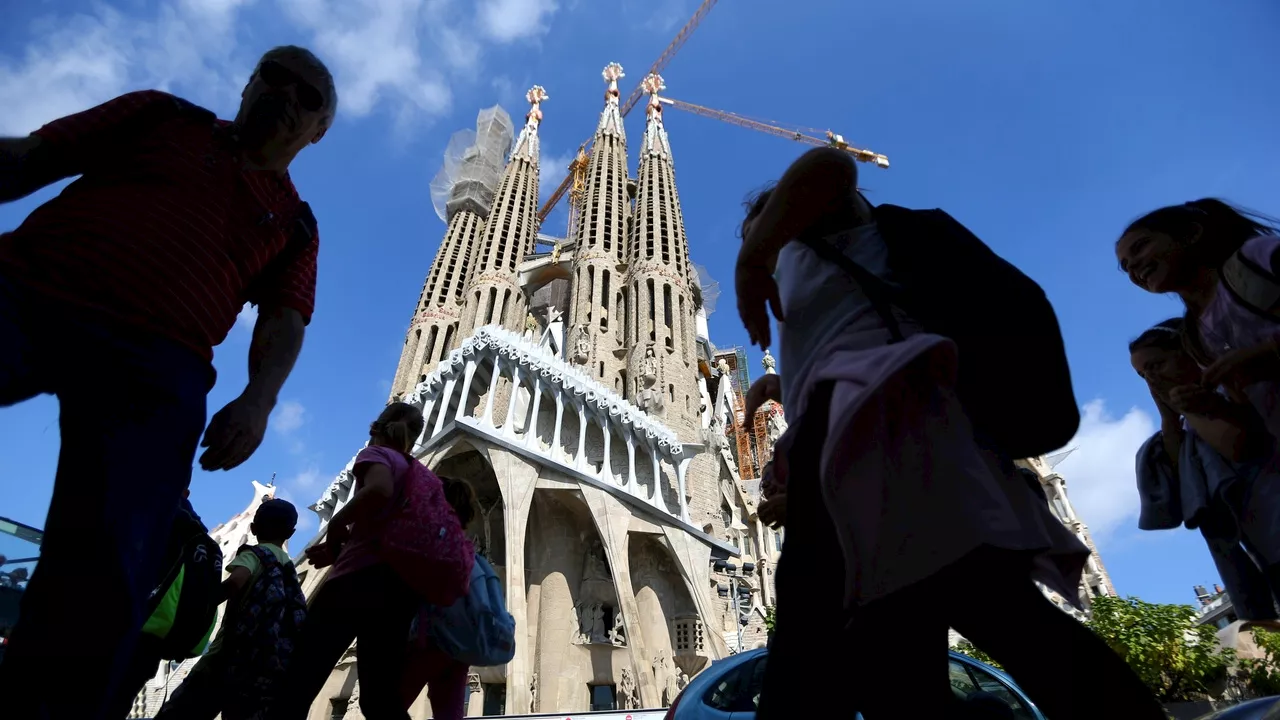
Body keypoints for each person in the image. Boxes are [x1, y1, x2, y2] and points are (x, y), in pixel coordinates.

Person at [737, 147, 1165, 720]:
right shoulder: (829, 283)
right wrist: (791, 392)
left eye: (767, 228)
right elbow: (856, 353)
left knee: (820, 653)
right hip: (878, 462)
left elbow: (829, 166)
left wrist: (753, 257)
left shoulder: (850, 235)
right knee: (941, 640)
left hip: (900, 447)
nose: (760, 249)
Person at [0, 45, 336, 719]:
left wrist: (258, 401)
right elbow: (33, 156)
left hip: (157, 361)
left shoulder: (294, 223)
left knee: (104, 566)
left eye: (307, 96)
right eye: (275, 75)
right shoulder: (164, 118)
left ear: (317, 131)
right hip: (29, 292)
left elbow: (285, 317)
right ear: (248, 82)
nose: (285, 94)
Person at [267, 402, 472, 720]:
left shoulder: (377, 455)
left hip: (354, 583)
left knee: (299, 679)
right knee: (380, 699)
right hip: (400, 592)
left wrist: (336, 526)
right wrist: (346, 544)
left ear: (375, 427)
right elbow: (392, 529)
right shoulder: (421, 475)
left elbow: (378, 489)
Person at [1129, 318, 1280, 618]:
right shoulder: (1189, 425)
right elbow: (1178, 473)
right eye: (1142, 374)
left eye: (1157, 364)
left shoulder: (1230, 392)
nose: (1151, 379)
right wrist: (1170, 418)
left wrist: (1187, 407)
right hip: (1266, 546)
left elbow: (1239, 446)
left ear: (1187, 352)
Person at [1116, 199, 1280, 441]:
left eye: (1140, 247)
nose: (1133, 267)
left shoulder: (1255, 260)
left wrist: (1267, 354)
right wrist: (1214, 407)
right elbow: (1251, 430)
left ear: (1191, 234)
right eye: (1125, 266)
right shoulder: (1195, 335)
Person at [153, 497, 303, 720]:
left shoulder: (255, 554)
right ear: (291, 533)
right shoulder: (288, 568)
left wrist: (199, 604)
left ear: (253, 527)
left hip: (225, 656)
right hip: (260, 667)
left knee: (181, 711)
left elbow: (235, 583)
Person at [107, 490, 221, 720]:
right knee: (117, 702)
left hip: (125, 624)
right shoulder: (204, 541)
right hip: (159, 638)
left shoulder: (159, 514)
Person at [399, 477, 480, 720]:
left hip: (431, 636)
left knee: (386, 702)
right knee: (449, 712)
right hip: (461, 643)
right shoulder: (467, 546)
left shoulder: (436, 535)